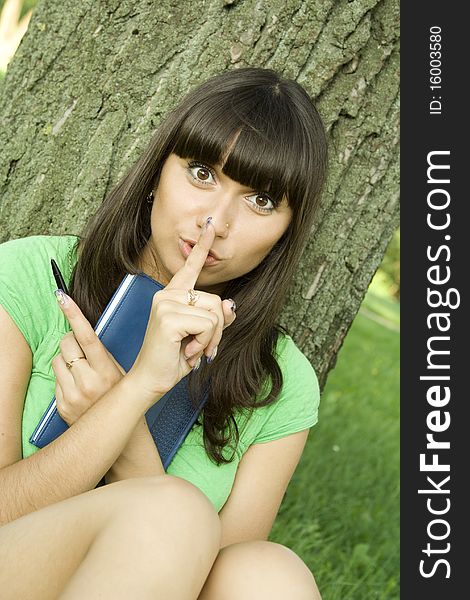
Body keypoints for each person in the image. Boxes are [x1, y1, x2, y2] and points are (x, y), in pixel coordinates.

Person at [0, 67, 328, 599]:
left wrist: (123, 413)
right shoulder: (29, 277)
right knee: (175, 511)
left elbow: (211, 583)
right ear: (158, 173)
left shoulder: (282, 380)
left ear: (288, 229)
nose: (215, 222)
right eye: (201, 173)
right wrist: (135, 388)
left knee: (270, 575)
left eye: (261, 201)